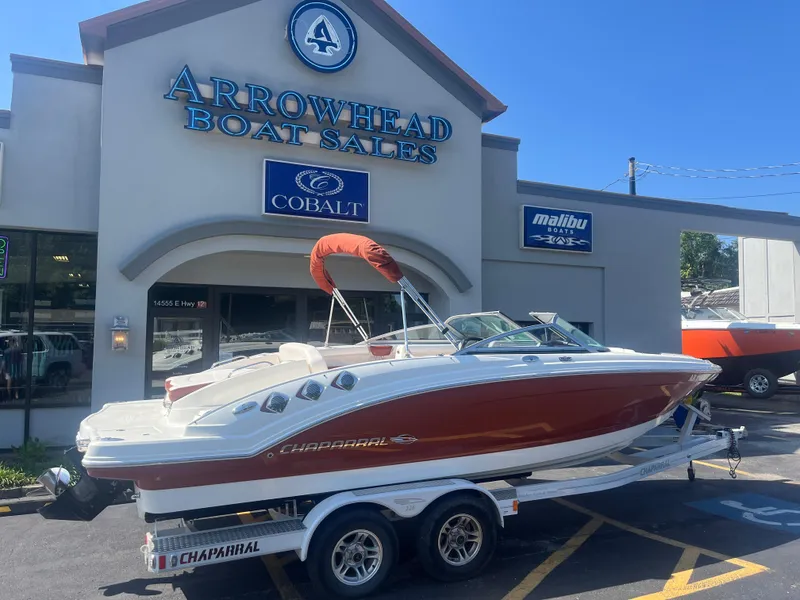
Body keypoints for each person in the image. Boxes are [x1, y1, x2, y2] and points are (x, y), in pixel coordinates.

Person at [4, 336, 23, 401]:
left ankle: (9, 396)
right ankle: (16, 395)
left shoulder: (6, 351)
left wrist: (3, 370)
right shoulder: (18, 350)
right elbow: (21, 360)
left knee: (9, 383)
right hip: (17, 369)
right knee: (16, 383)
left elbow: (4, 362)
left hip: (9, 369)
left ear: (9, 343)